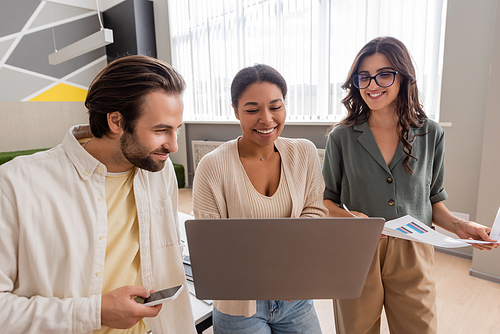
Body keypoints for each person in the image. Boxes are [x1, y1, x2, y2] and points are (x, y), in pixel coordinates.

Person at [0, 55, 196, 333]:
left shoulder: (157, 170)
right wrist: (92, 313)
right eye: (161, 130)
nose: (174, 146)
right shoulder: (15, 184)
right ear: (116, 121)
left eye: (176, 129)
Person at [322, 36, 498, 334]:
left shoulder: (431, 134)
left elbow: (432, 200)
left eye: (384, 74)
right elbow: (326, 202)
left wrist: (458, 226)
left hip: (414, 250)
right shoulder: (342, 137)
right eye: (363, 77)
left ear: (404, 78)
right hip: (358, 250)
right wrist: (350, 219)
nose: (372, 85)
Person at [192, 64, 328, 334]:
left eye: (275, 107)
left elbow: (315, 213)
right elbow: (212, 244)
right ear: (235, 111)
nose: (266, 119)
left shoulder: (305, 152)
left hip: (295, 297)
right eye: (252, 110)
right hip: (238, 302)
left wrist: (291, 274)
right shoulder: (212, 165)